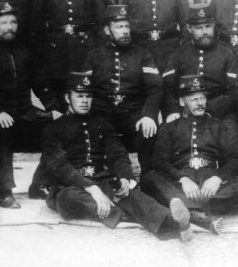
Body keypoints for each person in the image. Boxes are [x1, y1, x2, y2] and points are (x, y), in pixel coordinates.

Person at [43, 72, 193, 242]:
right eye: (79, 96)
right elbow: (60, 167)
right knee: (66, 200)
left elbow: (118, 155)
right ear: (67, 98)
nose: (85, 101)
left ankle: (172, 222)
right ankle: (127, 214)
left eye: (88, 96)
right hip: (69, 186)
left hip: (101, 180)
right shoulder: (54, 129)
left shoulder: (101, 124)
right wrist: (92, 189)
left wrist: (126, 178)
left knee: (128, 193)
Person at [0, 0, 62, 208]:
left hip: (25, 111)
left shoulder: (24, 52)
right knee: (1, 131)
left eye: (13, 22)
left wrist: (53, 108)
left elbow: (41, 83)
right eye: (3, 23)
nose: (9, 27)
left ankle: (40, 184)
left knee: (58, 128)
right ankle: (4, 192)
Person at [142, 75, 238, 234]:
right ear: (183, 102)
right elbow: (159, 160)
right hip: (181, 183)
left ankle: (188, 210)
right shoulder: (170, 128)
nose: (200, 103)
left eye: (202, 98)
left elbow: (236, 159)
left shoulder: (219, 126)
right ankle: (200, 215)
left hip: (211, 184)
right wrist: (182, 179)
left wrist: (217, 179)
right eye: (194, 99)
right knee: (150, 179)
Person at [83, 5, 163, 176]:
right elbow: (84, 87)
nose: (125, 31)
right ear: (107, 30)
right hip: (101, 112)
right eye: (119, 27)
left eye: (127, 26)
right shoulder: (94, 55)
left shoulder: (142, 54)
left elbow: (155, 87)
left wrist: (149, 114)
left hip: (131, 113)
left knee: (148, 130)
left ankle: (149, 178)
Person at [31, 0, 104, 109]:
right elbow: (36, 25)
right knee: (61, 99)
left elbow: (100, 23)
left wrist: (99, 54)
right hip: (56, 54)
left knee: (87, 96)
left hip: (85, 51)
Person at [162, 5, 238, 122]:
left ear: (214, 25)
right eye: (199, 28)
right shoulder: (179, 54)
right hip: (186, 111)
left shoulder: (227, 54)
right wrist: (173, 110)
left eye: (208, 26)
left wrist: (208, 108)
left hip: (220, 113)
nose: (205, 32)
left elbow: (234, 90)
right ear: (189, 28)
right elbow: (167, 87)